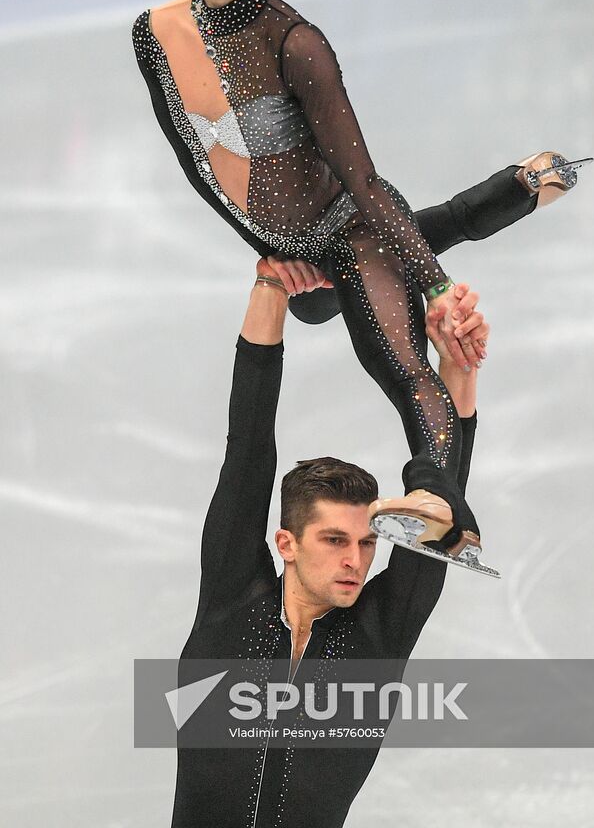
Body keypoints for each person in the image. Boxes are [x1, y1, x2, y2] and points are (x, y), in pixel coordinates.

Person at [132, 0, 590, 564]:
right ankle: (502, 197)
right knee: (319, 306)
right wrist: (265, 250)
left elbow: (365, 181)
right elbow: (194, 159)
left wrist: (435, 287)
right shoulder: (152, 34)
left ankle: (438, 501)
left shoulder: (295, 43)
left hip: (354, 226)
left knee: (399, 363)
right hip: (295, 255)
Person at [171, 256, 488, 828]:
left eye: (368, 543)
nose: (356, 559)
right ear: (286, 543)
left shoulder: (377, 636)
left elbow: (446, 501)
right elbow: (247, 444)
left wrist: (456, 370)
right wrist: (271, 287)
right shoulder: (231, 597)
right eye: (335, 539)